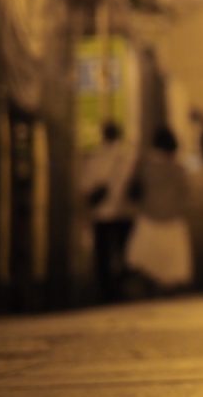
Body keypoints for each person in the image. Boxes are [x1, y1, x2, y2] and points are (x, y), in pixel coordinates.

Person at [125, 126, 194, 293]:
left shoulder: (144, 166)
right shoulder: (178, 169)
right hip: (173, 222)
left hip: (149, 219)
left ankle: (149, 290)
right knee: (170, 270)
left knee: (145, 263)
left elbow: (132, 191)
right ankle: (167, 292)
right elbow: (185, 195)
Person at [78, 120, 137, 302]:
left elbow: (85, 185)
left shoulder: (96, 156)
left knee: (102, 255)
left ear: (103, 135)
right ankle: (123, 288)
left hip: (102, 213)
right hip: (125, 211)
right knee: (124, 252)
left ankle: (106, 292)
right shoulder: (129, 155)